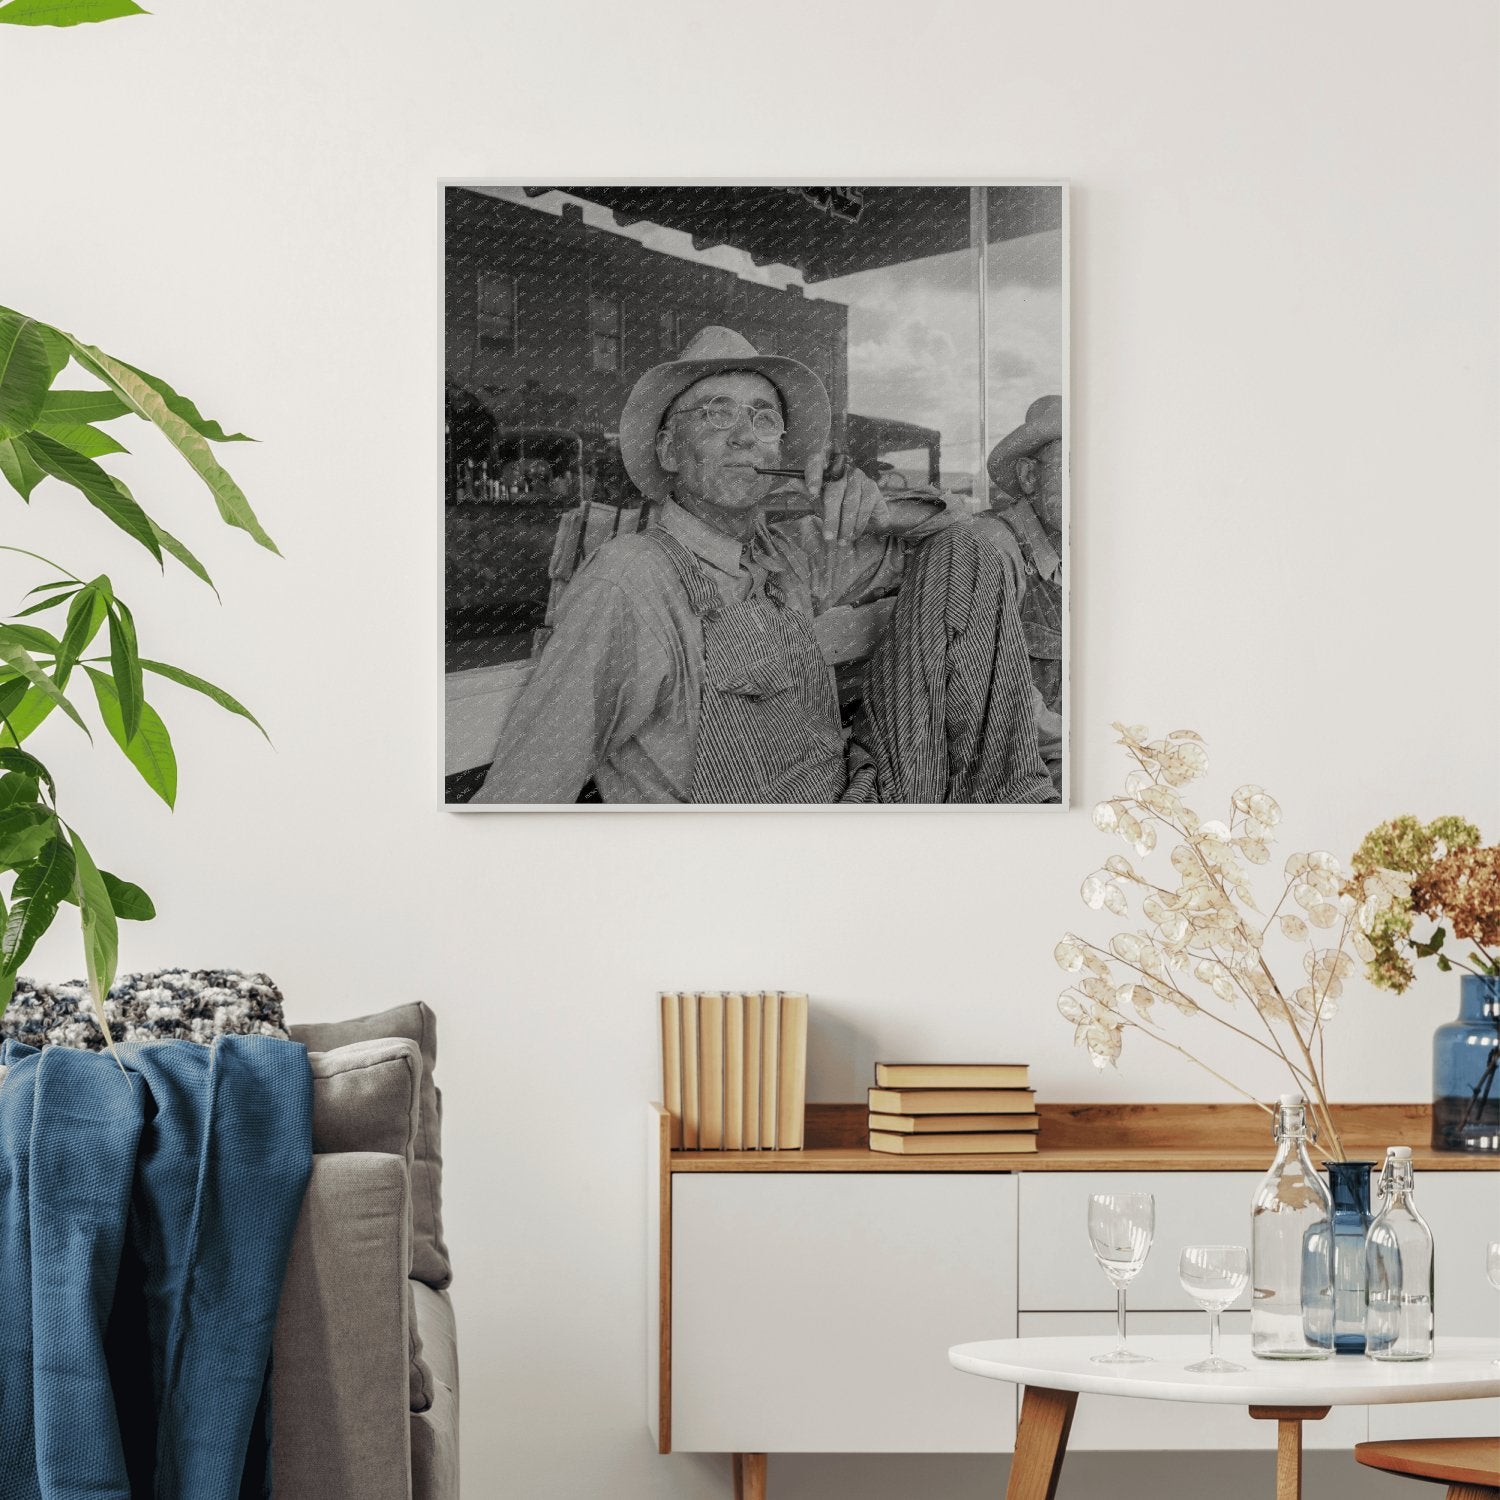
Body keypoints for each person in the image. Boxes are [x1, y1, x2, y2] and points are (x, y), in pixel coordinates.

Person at [473, 327, 1053, 805]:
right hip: (758, 870)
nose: (745, 438)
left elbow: (959, 544)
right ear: (671, 453)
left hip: (861, 804)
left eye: (763, 419)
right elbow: (520, 797)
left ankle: (1020, 813)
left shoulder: (791, 550)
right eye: (716, 415)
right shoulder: (630, 581)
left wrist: (881, 512)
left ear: (781, 453)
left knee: (975, 552)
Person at [976, 394, 1064, 791]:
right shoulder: (993, 547)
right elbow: (1002, 698)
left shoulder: (1068, 549)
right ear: (1030, 476)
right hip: (1003, 773)